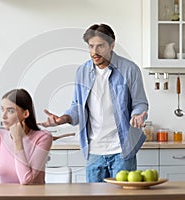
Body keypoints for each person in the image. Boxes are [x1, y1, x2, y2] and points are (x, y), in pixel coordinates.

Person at [39, 24, 148, 182]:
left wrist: (137, 115)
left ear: (112, 45)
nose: (94, 52)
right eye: (91, 46)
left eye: (100, 46)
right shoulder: (83, 71)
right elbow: (77, 106)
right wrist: (64, 118)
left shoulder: (129, 69)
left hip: (122, 150)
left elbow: (140, 102)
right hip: (94, 151)